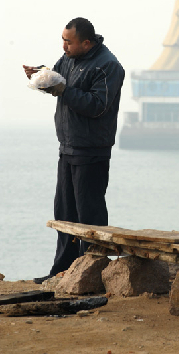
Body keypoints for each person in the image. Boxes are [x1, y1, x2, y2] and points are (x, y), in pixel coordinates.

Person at [23, 17, 125, 283]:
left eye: (69, 41)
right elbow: (58, 81)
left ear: (86, 43)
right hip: (67, 147)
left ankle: (92, 276)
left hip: (92, 151)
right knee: (65, 213)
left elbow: (97, 106)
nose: (64, 46)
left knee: (88, 216)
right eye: (63, 40)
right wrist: (41, 76)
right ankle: (62, 272)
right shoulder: (68, 59)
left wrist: (61, 88)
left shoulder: (109, 66)